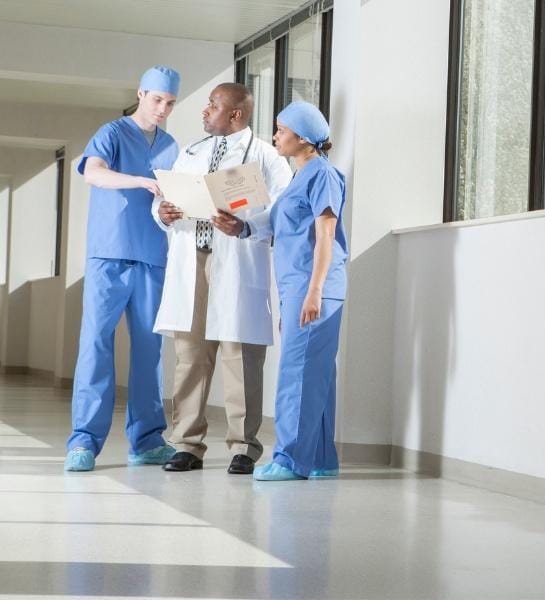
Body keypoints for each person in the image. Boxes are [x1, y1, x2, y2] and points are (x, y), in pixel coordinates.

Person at [151, 83, 292, 474]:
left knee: (239, 355)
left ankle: (243, 447)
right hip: (191, 258)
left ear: (237, 114)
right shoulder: (190, 153)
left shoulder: (266, 155)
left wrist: (246, 226)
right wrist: (161, 213)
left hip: (236, 260)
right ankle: (186, 444)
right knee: (190, 355)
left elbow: (284, 210)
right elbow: (163, 199)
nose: (205, 111)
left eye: (213, 105)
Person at [217, 101, 347, 481]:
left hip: (314, 286)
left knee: (298, 374)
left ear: (303, 138)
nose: (275, 135)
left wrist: (314, 292)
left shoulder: (322, 174)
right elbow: (279, 227)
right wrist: (239, 228)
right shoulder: (299, 178)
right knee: (316, 373)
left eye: (281, 129)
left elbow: (326, 234)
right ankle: (322, 459)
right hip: (298, 286)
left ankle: (290, 460)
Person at [64, 66, 181, 472]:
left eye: (169, 102)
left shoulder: (171, 147)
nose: (162, 108)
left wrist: (170, 211)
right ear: (141, 94)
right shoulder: (112, 133)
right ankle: (83, 442)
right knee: (96, 344)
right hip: (109, 255)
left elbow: (170, 202)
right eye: (156, 100)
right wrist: (139, 180)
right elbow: (93, 173)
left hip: (151, 256)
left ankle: (147, 440)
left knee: (150, 352)